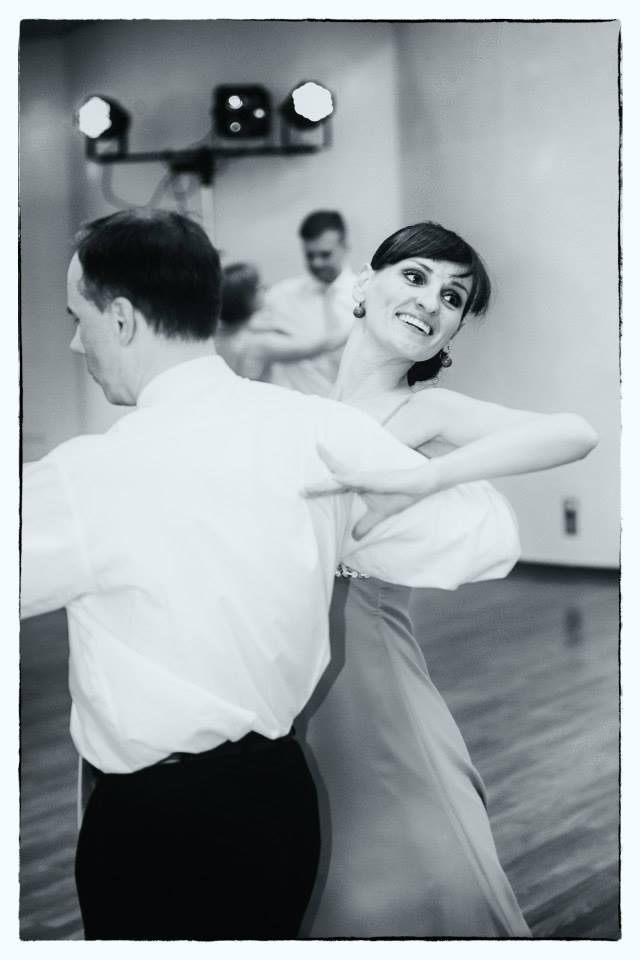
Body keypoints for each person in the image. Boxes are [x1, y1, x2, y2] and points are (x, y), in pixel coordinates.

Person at [20, 210, 522, 941]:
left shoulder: (89, 476)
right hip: (284, 796)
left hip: (160, 823)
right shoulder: (318, 431)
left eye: (79, 318)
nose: (75, 340)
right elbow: (486, 540)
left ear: (121, 320)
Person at [298, 221, 598, 937]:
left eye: (453, 297)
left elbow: (574, 433)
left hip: (364, 677)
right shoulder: (297, 411)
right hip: (282, 673)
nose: (432, 301)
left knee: (413, 872)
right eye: (415, 276)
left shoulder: (424, 409)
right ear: (363, 284)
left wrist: (430, 476)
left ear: (453, 330)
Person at [252, 210, 356, 395]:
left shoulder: (366, 297)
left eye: (325, 254)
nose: (316, 263)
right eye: (310, 255)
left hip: (353, 403)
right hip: (295, 404)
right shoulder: (280, 296)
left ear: (344, 247)